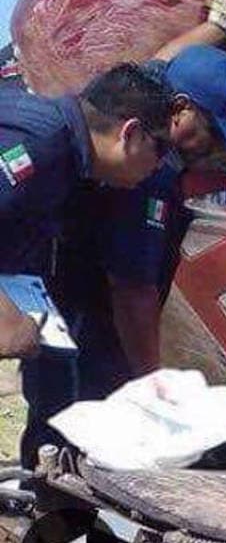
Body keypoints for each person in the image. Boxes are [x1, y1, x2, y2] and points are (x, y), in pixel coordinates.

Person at [24, 0, 226, 454]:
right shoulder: (151, 169)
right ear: (180, 112)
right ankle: (49, 496)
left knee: (54, 418)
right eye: (213, 133)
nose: (215, 148)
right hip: (89, 318)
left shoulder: (140, 96)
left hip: (57, 290)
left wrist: (221, 24)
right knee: (76, 435)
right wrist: (151, 383)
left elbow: (164, 57)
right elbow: (132, 293)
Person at [0, 63, 173, 414]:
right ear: (130, 133)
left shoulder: (69, 155)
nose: (160, 166)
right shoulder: (41, 143)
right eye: (161, 149)